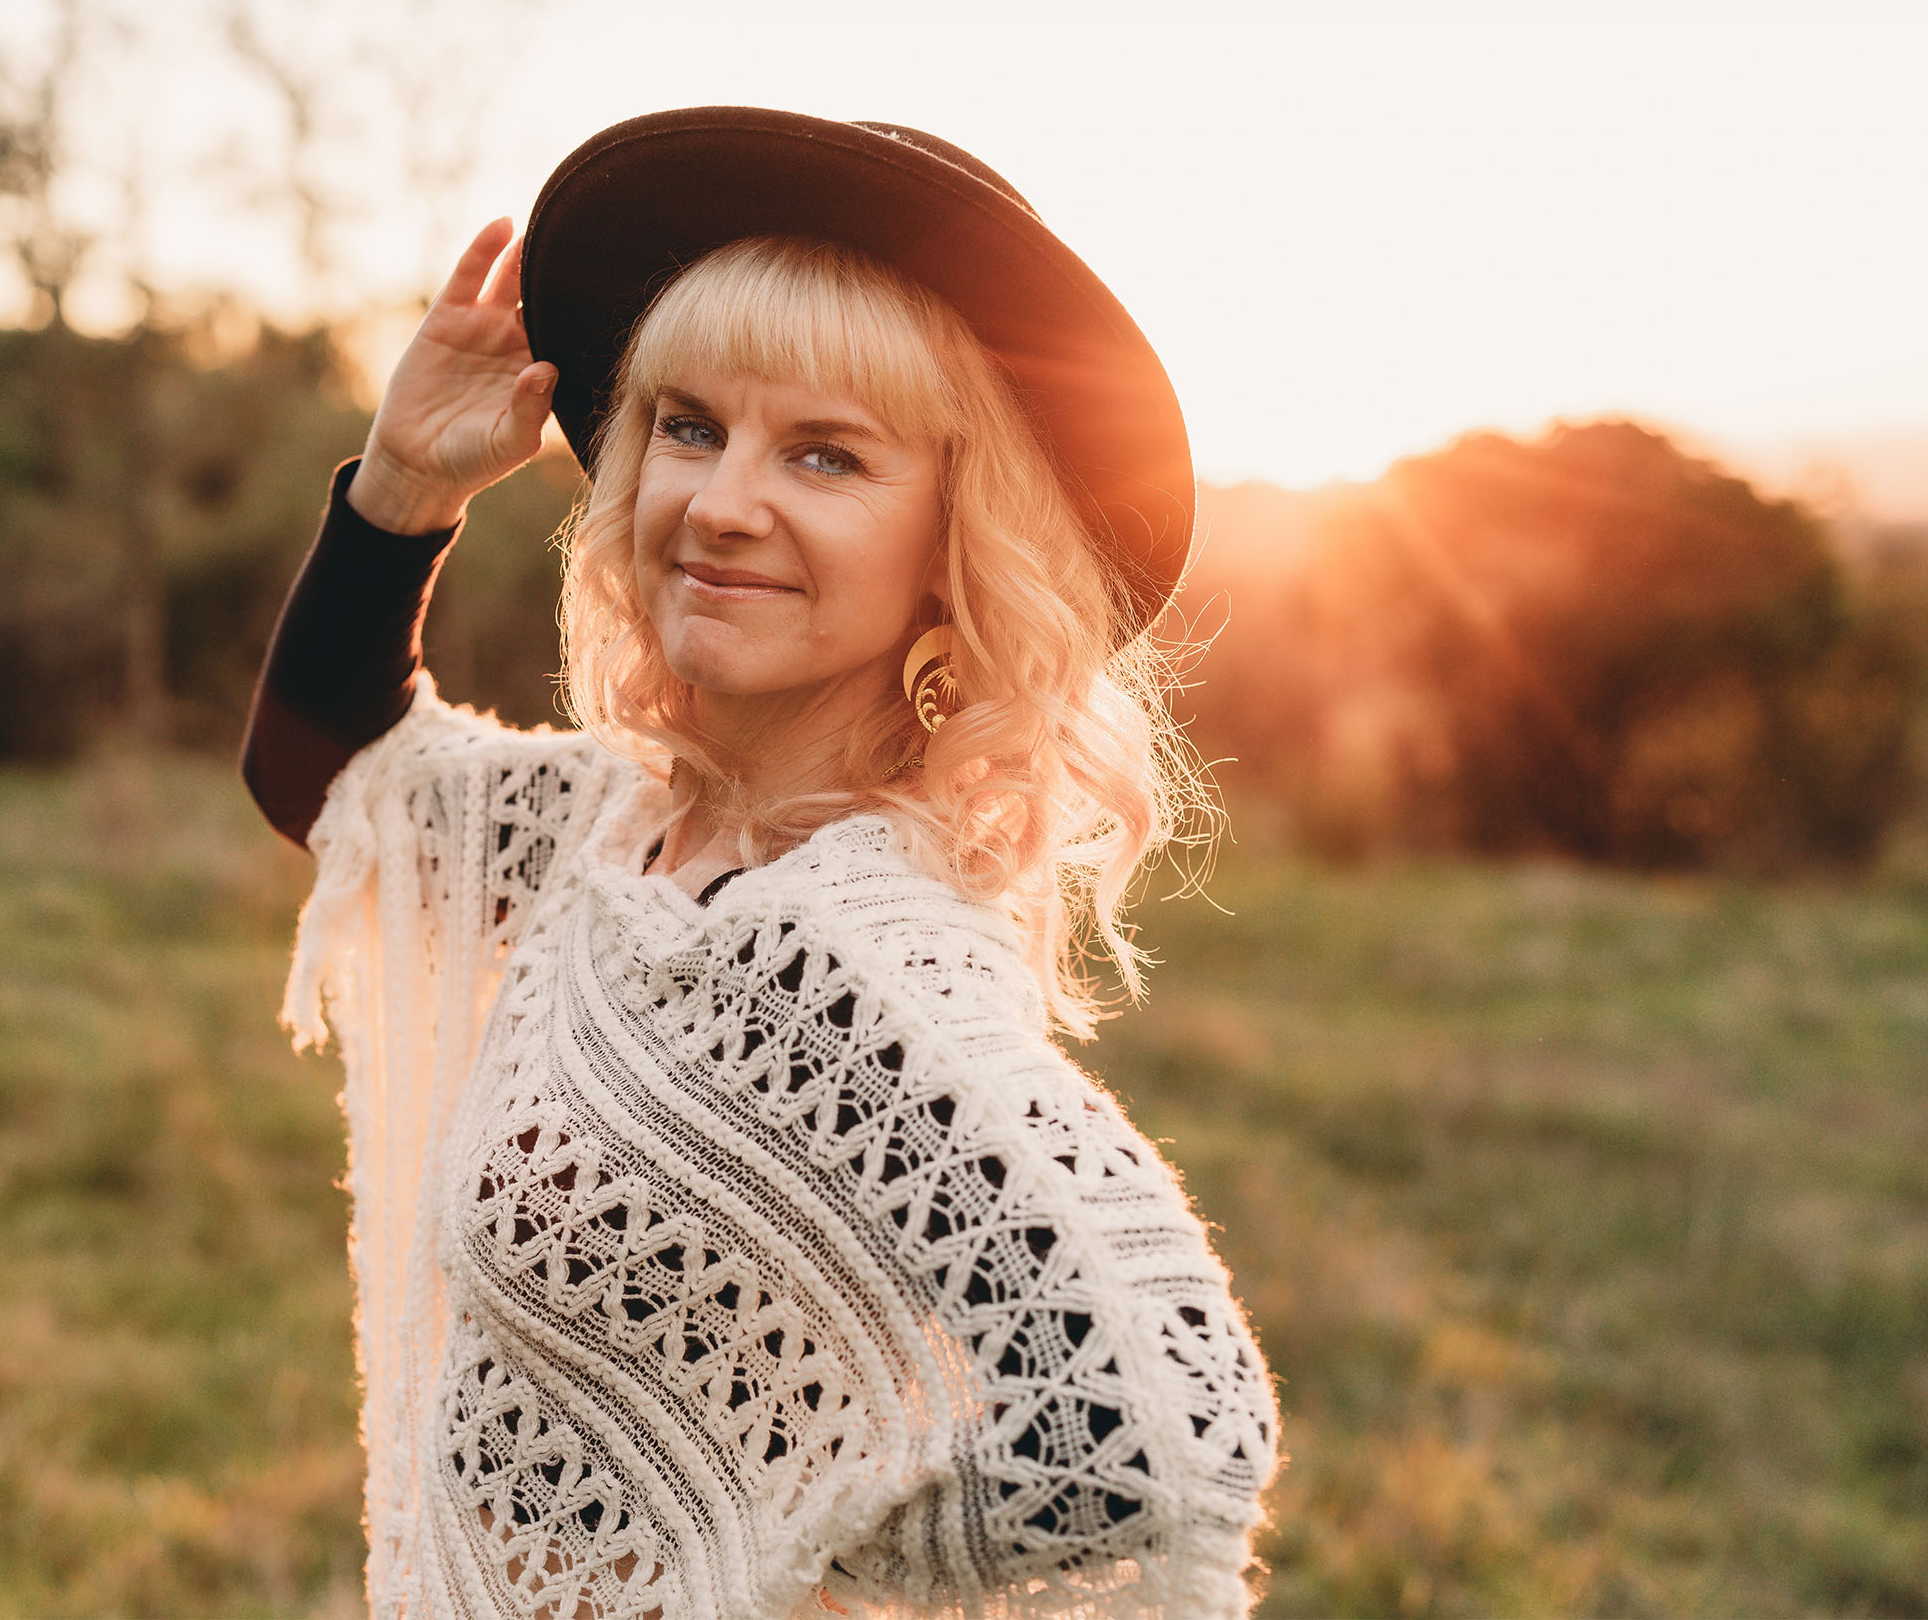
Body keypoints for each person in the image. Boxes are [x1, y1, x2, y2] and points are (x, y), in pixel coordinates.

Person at [242, 107, 1278, 1620]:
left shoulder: (849, 958)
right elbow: (328, 772)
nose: (722, 504)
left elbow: (1166, 1444)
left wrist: (769, 1556)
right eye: (688, 425)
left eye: (826, 455)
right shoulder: (626, 830)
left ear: (950, 538)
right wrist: (404, 484)